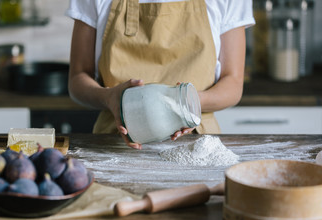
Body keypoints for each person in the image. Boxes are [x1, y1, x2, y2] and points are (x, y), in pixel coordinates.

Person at [65, 0, 255, 149]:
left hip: (198, 143)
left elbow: (233, 82)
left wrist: (189, 104)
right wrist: (108, 98)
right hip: (115, 141)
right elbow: (78, 78)